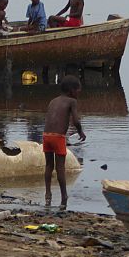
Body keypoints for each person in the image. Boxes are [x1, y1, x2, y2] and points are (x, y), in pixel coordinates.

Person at [43, 75, 85, 210]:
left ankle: (48, 194)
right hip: (58, 137)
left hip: (46, 136)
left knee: (49, 165)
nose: (79, 93)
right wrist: (81, 132)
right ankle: (64, 197)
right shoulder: (72, 101)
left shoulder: (52, 101)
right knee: (60, 167)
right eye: (78, 90)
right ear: (72, 90)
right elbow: (76, 121)